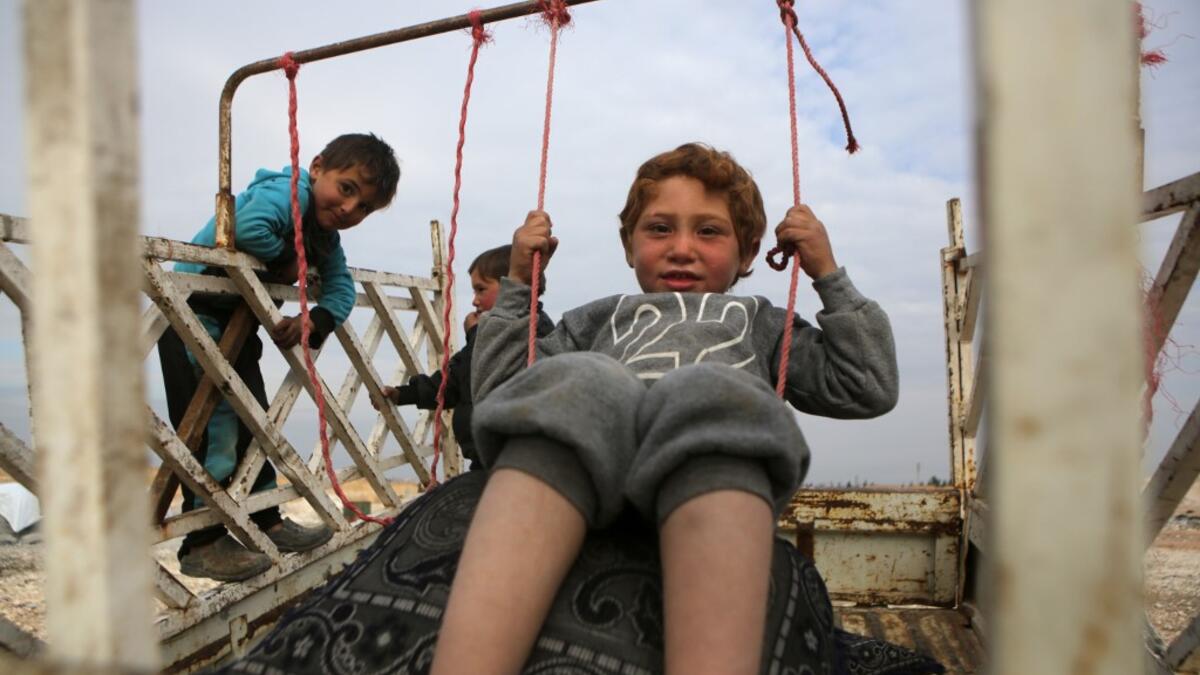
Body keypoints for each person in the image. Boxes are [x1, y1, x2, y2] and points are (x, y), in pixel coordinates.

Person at [431, 142, 899, 674]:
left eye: (708, 231)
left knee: (715, 392)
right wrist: (517, 286)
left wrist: (827, 273)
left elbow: (868, 385)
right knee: (581, 378)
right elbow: (501, 398)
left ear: (748, 253)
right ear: (629, 246)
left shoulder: (761, 323)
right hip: (588, 476)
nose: (682, 248)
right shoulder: (596, 320)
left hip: (706, 478)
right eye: (658, 229)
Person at [158, 133, 401, 582]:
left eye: (363, 207)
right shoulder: (286, 194)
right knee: (212, 434)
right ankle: (202, 544)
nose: (349, 209)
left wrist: (316, 319)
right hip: (190, 314)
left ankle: (265, 519)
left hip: (236, 323)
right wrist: (291, 266)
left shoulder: (326, 239)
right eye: (346, 189)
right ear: (317, 167)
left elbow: (341, 286)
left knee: (255, 423)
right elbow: (249, 228)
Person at [373, 244, 553, 472]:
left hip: (521, 460)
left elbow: (497, 365)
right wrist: (403, 394)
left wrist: (477, 334)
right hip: (483, 459)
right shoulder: (480, 340)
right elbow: (451, 382)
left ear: (514, 287)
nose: (474, 301)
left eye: (481, 290)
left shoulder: (536, 330)